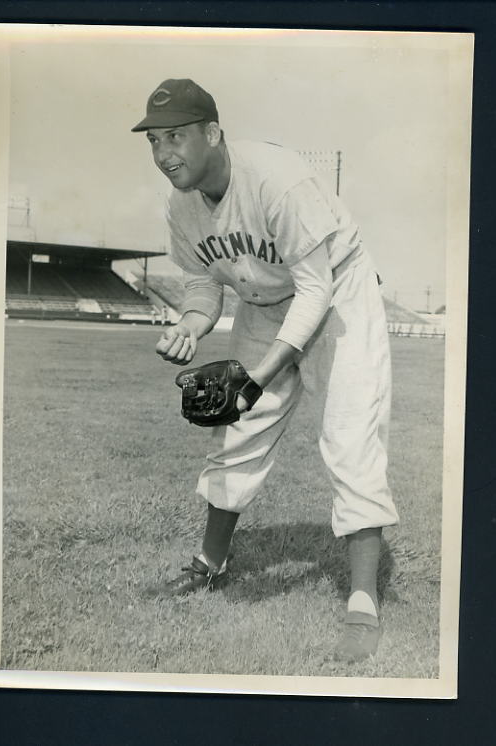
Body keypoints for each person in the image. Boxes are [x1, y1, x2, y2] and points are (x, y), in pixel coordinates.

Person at [132, 79, 399, 661]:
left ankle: (362, 602)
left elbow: (314, 290)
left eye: (175, 136)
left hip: (338, 291)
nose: (163, 153)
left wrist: (259, 376)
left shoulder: (278, 179)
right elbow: (204, 286)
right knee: (239, 430)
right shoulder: (181, 206)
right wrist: (190, 326)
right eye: (154, 140)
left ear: (212, 132)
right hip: (262, 302)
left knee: (350, 437)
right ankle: (209, 565)